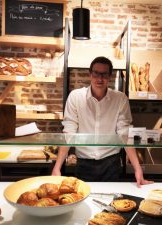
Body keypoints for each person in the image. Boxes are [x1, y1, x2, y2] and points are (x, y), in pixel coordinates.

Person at [51, 56, 153, 187]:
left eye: (104, 74)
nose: (99, 79)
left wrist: (137, 169)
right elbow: (68, 132)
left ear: (110, 76)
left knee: (110, 203)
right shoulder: (76, 97)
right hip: (83, 163)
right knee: (84, 200)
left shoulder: (120, 99)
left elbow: (125, 134)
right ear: (90, 74)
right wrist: (57, 167)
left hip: (111, 163)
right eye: (96, 73)